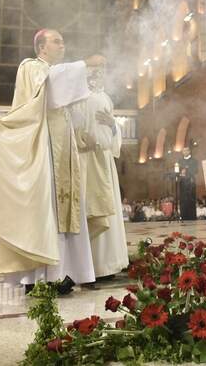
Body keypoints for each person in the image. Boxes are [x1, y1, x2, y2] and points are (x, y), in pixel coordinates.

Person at [0, 28, 105, 294]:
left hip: (65, 155)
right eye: (56, 41)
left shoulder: (57, 73)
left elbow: (71, 107)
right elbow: (51, 88)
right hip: (42, 151)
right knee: (44, 211)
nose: (62, 45)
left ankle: (63, 273)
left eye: (63, 41)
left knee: (64, 212)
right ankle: (39, 276)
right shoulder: (31, 67)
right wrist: (84, 64)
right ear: (41, 47)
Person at [70, 65, 129, 280]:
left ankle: (108, 265)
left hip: (103, 160)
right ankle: (89, 266)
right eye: (94, 70)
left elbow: (113, 131)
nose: (98, 75)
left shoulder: (105, 97)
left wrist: (113, 126)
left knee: (108, 211)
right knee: (89, 212)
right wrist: (82, 140)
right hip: (84, 160)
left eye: (102, 70)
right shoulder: (75, 99)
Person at [177, 147, 198, 221]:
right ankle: (183, 216)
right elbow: (177, 171)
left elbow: (196, 170)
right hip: (182, 183)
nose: (185, 152)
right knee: (183, 200)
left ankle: (192, 217)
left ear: (189, 151)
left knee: (191, 199)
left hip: (191, 183)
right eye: (183, 151)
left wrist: (186, 170)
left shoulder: (194, 161)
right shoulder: (180, 161)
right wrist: (180, 173)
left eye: (186, 150)